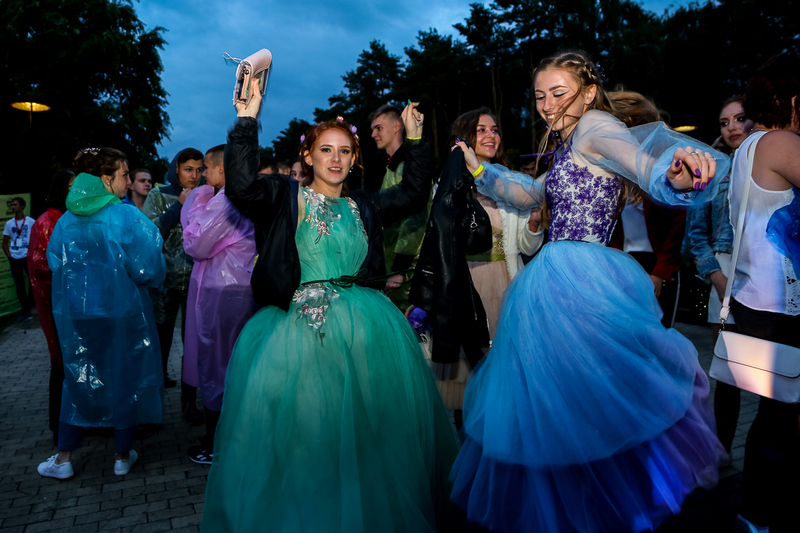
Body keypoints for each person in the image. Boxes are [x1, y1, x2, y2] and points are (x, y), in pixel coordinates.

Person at [448, 51, 728, 533]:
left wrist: (673, 173)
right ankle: (585, 508)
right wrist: (479, 170)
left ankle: (605, 507)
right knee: (569, 405)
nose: (546, 104)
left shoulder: (596, 126)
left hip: (583, 277)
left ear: (589, 92)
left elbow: (645, 166)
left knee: (589, 400)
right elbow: (530, 194)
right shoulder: (568, 145)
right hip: (555, 280)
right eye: (539, 96)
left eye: (558, 93)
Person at [200, 82, 458, 532]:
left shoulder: (365, 205)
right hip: (301, 337)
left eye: (344, 151)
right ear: (308, 156)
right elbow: (241, 186)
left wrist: (415, 139)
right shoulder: (287, 197)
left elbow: (416, 192)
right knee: (309, 436)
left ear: (355, 159)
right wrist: (246, 119)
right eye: (326, 150)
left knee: (368, 435)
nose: (335, 159)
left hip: (367, 333)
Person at [37, 147, 165, 480]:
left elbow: (54, 262)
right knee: (125, 376)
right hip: (123, 311)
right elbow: (149, 265)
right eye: (124, 175)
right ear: (106, 179)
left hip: (80, 314)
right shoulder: (126, 216)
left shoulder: (67, 220)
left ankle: (64, 457)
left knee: (78, 377)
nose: (128, 181)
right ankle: (121, 455)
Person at [728, 52, 800, 533]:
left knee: (772, 415)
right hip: (780, 305)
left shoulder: (749, 147)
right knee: (779, 417)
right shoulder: (780, 142)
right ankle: (759, 514)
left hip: (754, 300)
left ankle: (755, 511)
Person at [180, 144, 258, 465]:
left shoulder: (227, 200)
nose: (203, 176)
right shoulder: (247, 196)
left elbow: (196, 244)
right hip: (239, 288)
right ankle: (239, 439)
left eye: (207, 169)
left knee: (217, 366)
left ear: (222, 169)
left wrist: (196, 203)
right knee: (236, 363)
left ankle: (217, 444)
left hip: (223, 293)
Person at [687, 95, 754, 456]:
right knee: (730, 375)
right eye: (724, 122)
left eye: (739, 118)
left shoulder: (771, 160)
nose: (731, 127)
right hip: (723, 273)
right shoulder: (713, 170)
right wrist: (717, 278)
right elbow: (695, 235)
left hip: (767, 271)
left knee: (772, 374)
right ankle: (723, 454)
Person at [609, 91, 686, 328]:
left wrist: (660, 273)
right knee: (625, 334)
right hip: (621, 264)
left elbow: (677, 224)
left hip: (658, 263)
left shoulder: (664, 166)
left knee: (660, 334)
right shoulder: (609, 167)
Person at [142, 148, 204, 424]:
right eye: (188, 169)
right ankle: (152, 407)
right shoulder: (158, 195)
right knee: (160, 344)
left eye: (199, 170)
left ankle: (189, 401)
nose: (194, 175)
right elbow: (149, 233)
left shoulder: (207, 195)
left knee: (193, 346)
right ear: (176, 168)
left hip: (195, 281)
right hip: (164, 282)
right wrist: (179, 206)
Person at [27, 169, 75, 445]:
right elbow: (42, 267)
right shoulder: (46, 222)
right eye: (71, 185)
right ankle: (59, 427)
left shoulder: (69, 218)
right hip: (56, 305)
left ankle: (74, 423)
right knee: (60, 364)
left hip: (71, 304)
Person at [369, 104, 430, 311]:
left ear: (397, 126)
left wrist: (400, 269)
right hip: (389, 263)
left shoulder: (409, 166)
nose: (373, 134)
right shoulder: (391, 166)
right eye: (372, 129)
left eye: (378, 128)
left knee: (407, 320)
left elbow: (416, 218)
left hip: (406, 271)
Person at [3, 196, 35, 321]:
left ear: (22, 206)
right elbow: (4, 242)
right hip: (15, 258)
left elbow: (36, 239)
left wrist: (32, 254)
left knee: (34, 283)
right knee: (19, 286)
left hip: (27, 257)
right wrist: (10, 256)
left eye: (15, 204)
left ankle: (40, 308)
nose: (13, 207)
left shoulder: (31, 222)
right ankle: (26, 312)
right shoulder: (9, 223)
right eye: (12, 205)